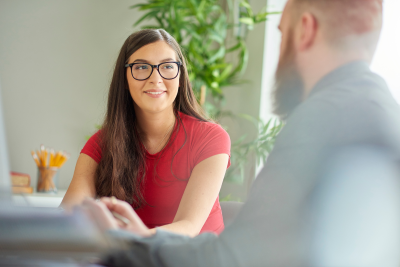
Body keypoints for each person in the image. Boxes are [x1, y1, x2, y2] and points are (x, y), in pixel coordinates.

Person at [83, 0, 400, 266]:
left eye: (281, 33)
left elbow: (236, 256)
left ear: (305, 29)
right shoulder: (374, 110)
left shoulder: (325, 119)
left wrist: (125, 243)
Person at [61, 29, 231, 237]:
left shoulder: (211, 138)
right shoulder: (102, 144)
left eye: (168, 67)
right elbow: (68, 218)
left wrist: (127, 238)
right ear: (124, 79)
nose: (156, 78)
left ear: (180, 77)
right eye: (141, 67)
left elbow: (189, 227)